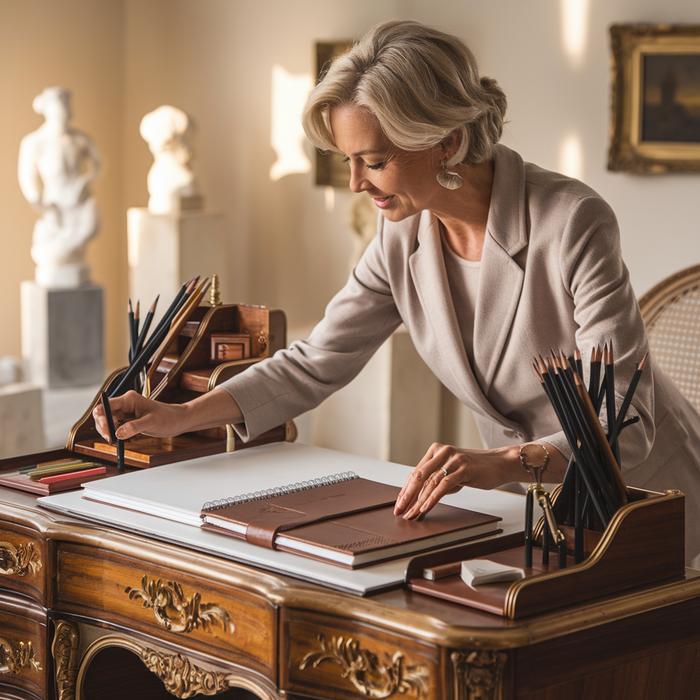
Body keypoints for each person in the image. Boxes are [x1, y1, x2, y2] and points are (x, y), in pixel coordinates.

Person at [94, 20, 700, 565]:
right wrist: (180, 416)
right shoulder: (401, 233)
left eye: (374, 161)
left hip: (652, 502)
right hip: (534, 509)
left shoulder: (572, 220)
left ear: (447, 142)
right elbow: (316, 361)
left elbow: (627, 417)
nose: (356, 183)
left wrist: (498, 465)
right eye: (348, 161)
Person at [18, 86, 101, 288]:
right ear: (48, 112)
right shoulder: (34, 142)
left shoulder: (79, 139)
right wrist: (39, 202)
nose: (65, 116)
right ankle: (56, 249)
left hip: (78, 201)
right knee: (54, 250)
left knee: (89, 228)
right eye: (59, 111)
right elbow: (27, 177)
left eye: (66, 110)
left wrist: (85, 182)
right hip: (54, 204)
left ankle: (64, 248)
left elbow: (98, 165)